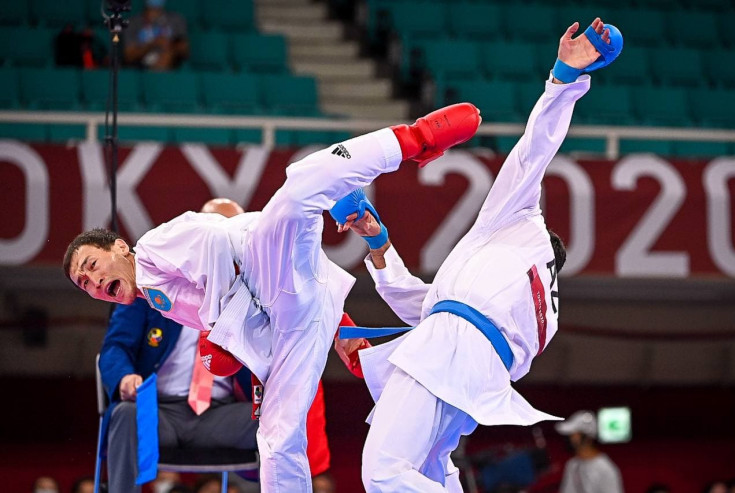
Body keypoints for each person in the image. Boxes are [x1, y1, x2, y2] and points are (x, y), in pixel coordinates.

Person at [63, 102, 480, 491]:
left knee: (300, 189)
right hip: (291, 317)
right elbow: (241, 326)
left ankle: (413, 139)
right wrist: (307, 340)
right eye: (84, 284)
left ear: (120, 247)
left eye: (92, 265)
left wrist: (220, 330)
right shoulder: (155, 299)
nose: (93, 282)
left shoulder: (153, 250)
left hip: (258, 260)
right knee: (278, 438)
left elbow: (215, 243)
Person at [330, 18, 622, 493]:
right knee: (430, 470)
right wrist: (379, 244)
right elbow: (427, 308)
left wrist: (563, 77)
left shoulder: (518, 220)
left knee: (384, 472)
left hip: (450, 352)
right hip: (473, 372)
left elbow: (534, 151)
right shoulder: (534, 307)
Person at [99, 198, 335, 493]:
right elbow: (115, 348)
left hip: (221, 417)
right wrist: (124, 378)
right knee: (125, 414)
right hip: (160, 413)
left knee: (279, 422)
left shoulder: (256, 291)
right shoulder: (147, 286)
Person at [554, 410, 623, 493]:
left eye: (574, 435)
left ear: (587, 437)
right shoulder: (572, 464)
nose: (570, 439)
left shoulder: (605, 469)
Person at [123, 0, 188, 70]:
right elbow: (129, 55)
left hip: (169, 66)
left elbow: (184, 50)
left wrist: (169, 49)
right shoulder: (133, 23)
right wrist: (152, 44)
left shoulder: (176, 20)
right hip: (142, 66)